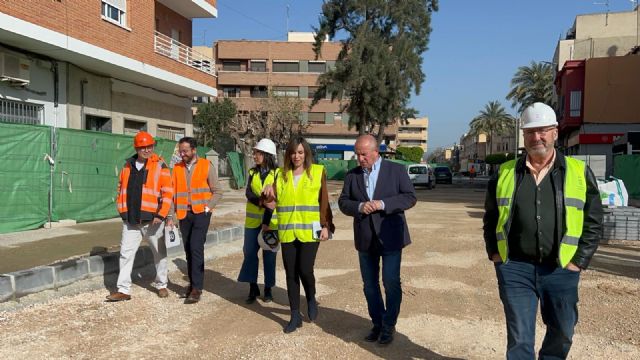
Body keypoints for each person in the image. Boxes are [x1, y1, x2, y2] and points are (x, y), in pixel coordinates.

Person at [483, 102, 603, 359]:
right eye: (530, 131)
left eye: (543, 130)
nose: (536, 137)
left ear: (555, 133)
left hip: (561, 268)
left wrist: (578, 261)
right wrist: (495, 254)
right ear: (523, 135)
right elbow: (491, 217)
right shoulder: (505, 173)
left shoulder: (578, 172)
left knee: (562, 332)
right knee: (519, 338)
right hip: (515, 268)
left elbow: (594, 221)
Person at [338, 134, 417, 345]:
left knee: (390, 282)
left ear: (375, 152)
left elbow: (410, 197)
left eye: (363, 154)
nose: (360, 158)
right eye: (357, 154)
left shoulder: (396, 171)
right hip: (365, 238)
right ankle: (378, 323)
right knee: (369, 285)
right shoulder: (352, 175)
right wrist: (359, 207)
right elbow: (343, 201)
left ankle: (389, 325)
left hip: (390, 236)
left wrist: (383, 204)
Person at [262, 136, 334, 333]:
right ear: (288, 155)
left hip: (310, 231)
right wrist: (267, 192)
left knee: (305, 269)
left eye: (300, 152)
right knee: (291, 273)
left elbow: (324, 201)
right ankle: (295, 315)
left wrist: (326, 225)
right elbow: (269, 201)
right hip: (287, 232)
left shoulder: (317, 172)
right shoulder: (280, 174)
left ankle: (311, 297)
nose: (297, 156)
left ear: (306, 154)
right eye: (293, 152)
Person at [106, 131, 173, 302]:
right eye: (143, 147)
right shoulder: (127, 166)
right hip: (131, 221)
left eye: (149, 146)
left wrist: (162, 214)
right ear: (137, 148)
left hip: (153, 220)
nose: (147, 150)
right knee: (125, 254)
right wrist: (122, 210)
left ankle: (162, 284)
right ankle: (123, 289)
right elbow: (120, 189)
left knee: (159, 253)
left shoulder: (160, 165)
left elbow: (168, 192)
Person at [167, 137, 222, 304]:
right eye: (180, 151)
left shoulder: (206, 166)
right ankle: (192, 284)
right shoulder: (176, 169)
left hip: (201, 214)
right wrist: (170, 216)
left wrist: (207, 208)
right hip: (184, 214)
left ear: (194, 150)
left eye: (185, 151)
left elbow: (218, 191)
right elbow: (171, 194)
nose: (182, 154)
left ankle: (197, 288)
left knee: (195, 247)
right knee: (189, 250)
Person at [237, 138, 280, 304]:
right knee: (249, 253)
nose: (254, 155)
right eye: (254, 152)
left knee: (269, 256)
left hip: (271, 223)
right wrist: (261, 202)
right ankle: (252, 287)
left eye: (258, 153)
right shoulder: (252, 173)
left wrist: (267, 203)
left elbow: (277, 197)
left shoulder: (278, 174)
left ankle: (268, 288)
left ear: (267, 155)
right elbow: (248, 193)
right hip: (252, 223)